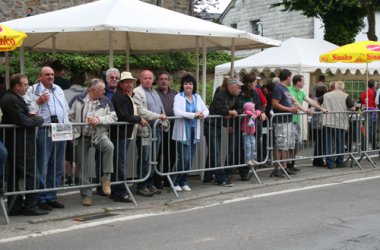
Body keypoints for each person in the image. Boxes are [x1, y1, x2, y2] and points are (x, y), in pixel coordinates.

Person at [1, 73, 47, 216]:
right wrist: (38, 120)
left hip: (19, 142)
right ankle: (30, 206)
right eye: (25, 84)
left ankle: (16, 206)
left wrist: (30, 117)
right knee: (31, 175)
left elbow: (23, 117)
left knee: (17, 176)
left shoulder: (13, 98)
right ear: (17, 86)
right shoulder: (11, 99)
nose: (28, 87)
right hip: (20, 144)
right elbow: (21, 120)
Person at [24, 66, 70, 211]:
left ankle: (51, 196)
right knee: (42, 166)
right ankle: (41, 197)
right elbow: (27, 109)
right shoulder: (32, 90)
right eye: (47, 74)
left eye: (52, 74)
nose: (50, 76)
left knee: (56, 167)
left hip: (61, 130)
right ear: (40, 76)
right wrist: (38, 102)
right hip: (44, 130)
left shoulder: (58, 89)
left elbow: (66, 109)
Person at [69, 78, 117, 206]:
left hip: (98, 134)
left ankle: (106, 178)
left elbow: (114, 116)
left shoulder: (105, 100)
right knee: (83, 166)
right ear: (92, 90)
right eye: (102, 90)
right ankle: (87, 195)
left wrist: (99, 119)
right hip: (81, 135)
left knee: (109, 147)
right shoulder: (77, 99)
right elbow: (69, 116)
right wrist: (76, 128)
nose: (104, 92)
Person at [110, 72, 148, 202]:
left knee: (120, 163)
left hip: (125, 133)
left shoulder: (127, 95)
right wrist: (139, 119)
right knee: (120, 163)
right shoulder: (120, 97)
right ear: (121, 84)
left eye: (131, 82)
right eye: (126, 82)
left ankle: (118, 190)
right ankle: (119, 192)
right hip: (120, 134)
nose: (129, 84)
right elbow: (123, 116)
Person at [133, 70, 168, 197]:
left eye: (150, 78)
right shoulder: (137, 92)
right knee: (145, 158)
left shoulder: (154, 92)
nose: (148, 80)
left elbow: (161, 108)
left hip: (157, 129)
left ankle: (150, 183)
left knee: (154, 158)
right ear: (140, 79)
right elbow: (140, 111)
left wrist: (163, 122)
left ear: (153, 80)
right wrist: (158, 116)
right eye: (145, 78)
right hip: (146, 130)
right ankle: (141, 185)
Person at [203, 78, 244, 186]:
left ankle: (207, 177)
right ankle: (221, 178)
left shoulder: (236, 96)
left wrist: (233, 112)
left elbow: (241, 108)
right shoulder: (220, 95)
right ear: (231, 87)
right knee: (215, 151)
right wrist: (230, 112)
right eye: (238, 87)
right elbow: (220, 110)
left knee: (213, 151)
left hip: (217, 126)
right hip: (211, 125)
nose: (240, 89)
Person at [172, 74, 209, 192]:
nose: (188, 85)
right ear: (182, 85)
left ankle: (184, 181)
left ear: (194, 86)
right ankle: (175, 181)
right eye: (186, 83)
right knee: (184, 158)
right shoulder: (179, 96)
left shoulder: (197, 97)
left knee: (190, 158)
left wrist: (203, 115)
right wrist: (193, 115)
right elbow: (177, 111)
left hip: (194, 131)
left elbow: (206, 110)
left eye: (190, 83)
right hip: (183, 131)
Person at [288, 74, 327, 171]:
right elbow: (295, 103)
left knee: (297, 144)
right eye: (303, 81)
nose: (304, 83)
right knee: (291, 144)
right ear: (298, 82)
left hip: (296, 120)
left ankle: (291, 163)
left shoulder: (301, 92)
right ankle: (288, 164)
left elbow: (311, 101)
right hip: (289, 120)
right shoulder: (290, 90)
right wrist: (306, 110)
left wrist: (321, 108)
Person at [318, 81, 356, 169]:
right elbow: (353, 108)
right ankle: (339, 162)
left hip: (327, 122)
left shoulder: (327, 95)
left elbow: (317, 102)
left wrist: (321, 109)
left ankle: (330, 163)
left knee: (329, 143)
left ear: (335, 86)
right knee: (340, 143)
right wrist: (361, 109)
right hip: (340, 123)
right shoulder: (346, 96)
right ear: (343, 87)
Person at [271, 69, 298, 178]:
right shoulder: (278, 88)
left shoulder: (285, 89)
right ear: (287, 77)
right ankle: (277, 168)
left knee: (286, 145)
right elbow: (275, 104)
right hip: (281, 121)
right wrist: (289, 109)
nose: (291, 79)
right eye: (291, 77)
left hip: (288, 120)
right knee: (280, 145)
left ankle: (284, 166)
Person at [154, 71, 177, 188]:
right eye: (161, 79)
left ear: (169, 81)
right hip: (158, 127)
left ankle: (168, 179)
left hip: (172, 128)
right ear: (157, 81)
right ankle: (157, 180)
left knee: (171, 154)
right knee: (157, 155)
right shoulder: (154, 93)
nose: (164, 81)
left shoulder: (175, 93)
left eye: (166, 79)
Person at [63, 71, 87, 186]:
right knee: (78, 154)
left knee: (66, 154)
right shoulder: (86, 93)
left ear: (71, 82)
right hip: (81, 128)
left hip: (65, 126)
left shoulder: (63, 92)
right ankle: (77, 177)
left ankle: (66, 177)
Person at [312, 84, 328, 167]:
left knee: (318, 142)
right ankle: (319, 160)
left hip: (315, 124)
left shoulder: (314, 99)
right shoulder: (321, 100)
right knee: (321, 142)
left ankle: (317, 160)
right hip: (320, 123)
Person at [360, 79, 377, 150]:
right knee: (372, 130)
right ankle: (374, 146)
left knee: (364, 129)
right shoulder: (374, 92)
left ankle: (363, 146)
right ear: (373, 85)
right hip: (373, 113)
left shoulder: (364, 93)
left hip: (365, 112)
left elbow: (361, 103)